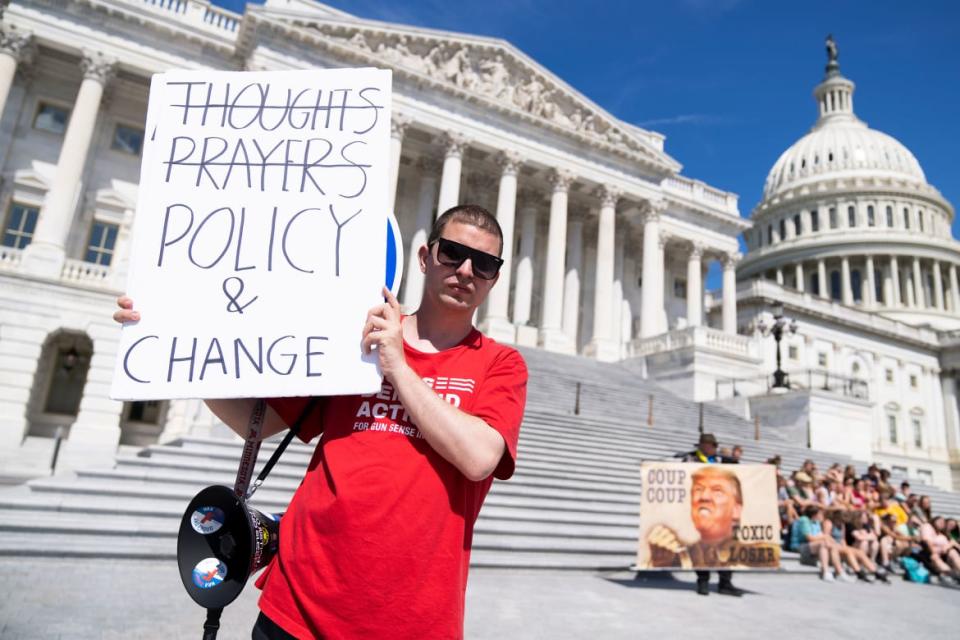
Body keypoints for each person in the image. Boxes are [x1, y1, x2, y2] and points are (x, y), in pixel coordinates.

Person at [115, 204, 528, 639]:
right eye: (453, 253)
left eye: (483, 263)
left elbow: (480, 457)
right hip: (299, 604)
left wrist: (399, 368)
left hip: (411, 621)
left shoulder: (501, 364)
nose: (465, 271)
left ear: (494, 279)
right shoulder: (354, 338)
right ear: (425, 257)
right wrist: (167, 344)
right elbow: (254, 423)